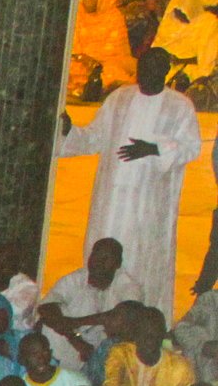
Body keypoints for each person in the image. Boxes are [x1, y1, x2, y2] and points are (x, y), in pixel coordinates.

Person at [61, 47, 205, 315]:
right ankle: (93, 319)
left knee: (140, 265)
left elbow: (192, 147)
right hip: (110, 205)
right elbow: (94, 137)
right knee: (102, 260)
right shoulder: (119, 98)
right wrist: (69, 132)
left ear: (165, 71)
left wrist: (153, 149)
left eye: (153, 69)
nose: (145, 74)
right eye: (143, 67)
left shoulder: (179, 106)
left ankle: (140, 323)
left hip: (147, 211)